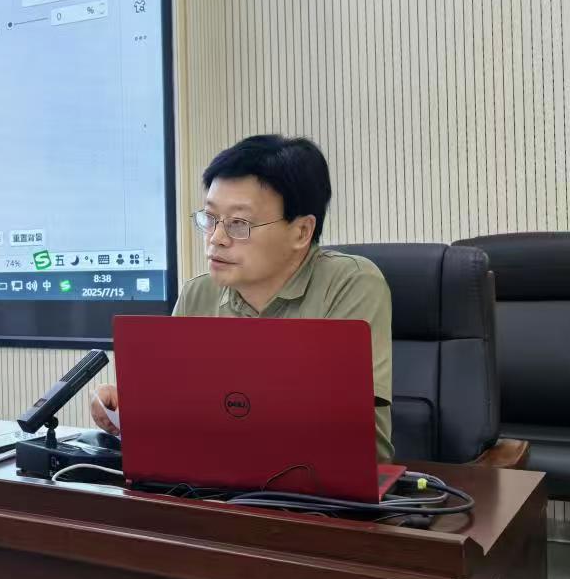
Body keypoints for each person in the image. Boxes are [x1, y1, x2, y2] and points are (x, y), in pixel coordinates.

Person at [91, 134, 394, 461]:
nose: (216, 238)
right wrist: (134, 410)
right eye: (210, 219)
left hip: (321, 486)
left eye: (238, 223)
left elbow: (345, 433)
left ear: (301, 232)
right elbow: (175, 412)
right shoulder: (197, 294)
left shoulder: (351, 284)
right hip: (213, 480)